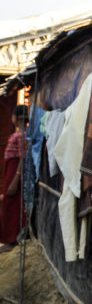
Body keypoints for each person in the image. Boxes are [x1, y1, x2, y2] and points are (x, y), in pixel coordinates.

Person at [1, 104, 28, 252]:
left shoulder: (21, 135)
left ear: (16, 118)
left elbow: (23, 158)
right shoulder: (20, 134)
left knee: (12, 206)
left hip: (15, 173)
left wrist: (15, 180)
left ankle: (12, 240)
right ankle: (10, 239)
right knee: (9, 204)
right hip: (11, 171)